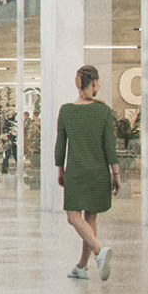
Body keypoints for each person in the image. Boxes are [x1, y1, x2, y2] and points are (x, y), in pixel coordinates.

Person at [56, 65, 119, 282]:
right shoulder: (103, 111)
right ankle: (82, 266)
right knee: (90, 216)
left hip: (76, 172)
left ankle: (99, 251)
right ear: (93, 83)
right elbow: (109, 146)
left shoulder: (66, 110)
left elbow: (60, 146)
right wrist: (116, 174)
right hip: (99, 172)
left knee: (73, 216)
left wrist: (60, 170)